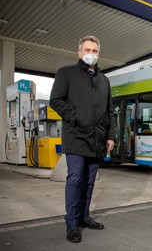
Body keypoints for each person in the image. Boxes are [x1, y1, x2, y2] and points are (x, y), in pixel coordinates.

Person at [50, 36, 115, 243]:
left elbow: (109, 111)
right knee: (76, 179)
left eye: (94, 51)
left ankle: (84, 216)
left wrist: (110, 136)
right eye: (87, 50)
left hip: (97, 140)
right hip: (76, 137)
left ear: (98, 54)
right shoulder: (66, 73)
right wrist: (76, 116)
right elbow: (56, 100)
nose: (91, 54)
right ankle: (71, 223)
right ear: (79, 52)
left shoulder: (104, 80)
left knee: (89, 182)